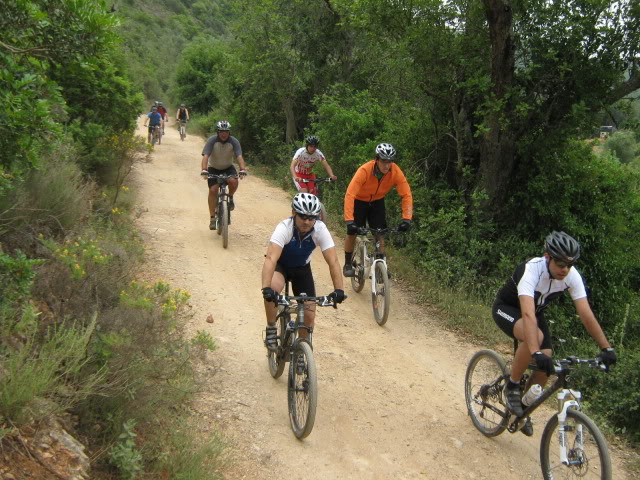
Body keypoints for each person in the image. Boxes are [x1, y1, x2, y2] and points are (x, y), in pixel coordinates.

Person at [493, 231, 617, 430]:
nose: (565, 269)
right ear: (547, 257)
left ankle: (523, 410)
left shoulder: (571, 276)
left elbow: (585, 313)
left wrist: (606, 347)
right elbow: (527, 315)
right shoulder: (531, 270)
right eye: (560, 264)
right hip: (508, 308)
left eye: (569, 264)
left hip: (535, 312)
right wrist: (535, 351)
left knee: (547, 363)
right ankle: (512, 386)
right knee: (537, 340)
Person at [261, 193, 345, 350]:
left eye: (311, 218)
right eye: (303, 217)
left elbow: (333, 261)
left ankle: (302, 349)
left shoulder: (320, 229)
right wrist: (266, 288)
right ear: (294, 213)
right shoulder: (284, 228)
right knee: (272, 289)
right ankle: (271, 328)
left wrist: (339, 290)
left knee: (309, 314)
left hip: (302, 269)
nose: (307, 221)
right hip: (281, 267)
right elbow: (271, 259)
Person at [342, 143, 413, 277]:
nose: (387, 165)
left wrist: (406, 219)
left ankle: (381, 267)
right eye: (384, 161)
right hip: (359, 200)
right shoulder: (365, 171)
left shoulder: (395, 171)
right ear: (377, 160)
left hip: (377, 201)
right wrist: (349, 221)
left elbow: (406, 194)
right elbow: (350, 194)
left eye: (390, 162)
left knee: (379, 233)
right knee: (352, 233)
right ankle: (347, 263)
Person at [200, 120, 247, 230]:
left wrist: (242, 169)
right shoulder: (212, 140)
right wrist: (204, 169)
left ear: (229, 132)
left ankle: (230, 197)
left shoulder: (234, 141)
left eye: (226, 131)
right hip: (213, 168)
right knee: (213, 190)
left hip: (228, 167)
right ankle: (212, 218)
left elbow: (239, 156)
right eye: (221, 131)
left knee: (234, 181)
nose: (224, 134)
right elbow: (205, 156)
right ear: (218, 132)